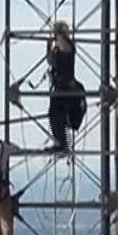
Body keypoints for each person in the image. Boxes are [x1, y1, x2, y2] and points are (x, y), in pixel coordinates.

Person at [47, 19, 77, 153]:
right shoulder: (60, 45)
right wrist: (49, 47)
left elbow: (61, 50)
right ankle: (61, 142)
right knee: (54, 115)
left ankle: (62, 143)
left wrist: (55, 41)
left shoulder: (66, 44)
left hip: (65, 86)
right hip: (60, 85)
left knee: (56, 115)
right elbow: (50, 61)